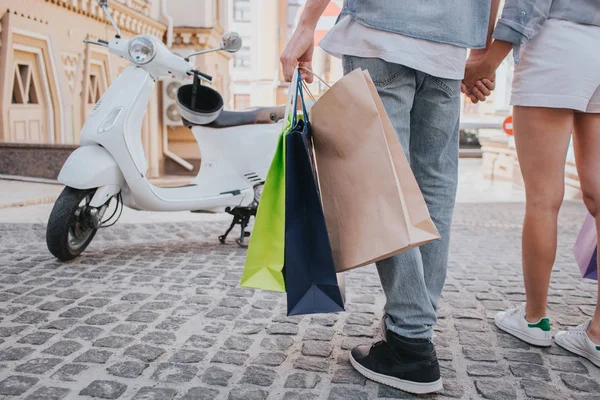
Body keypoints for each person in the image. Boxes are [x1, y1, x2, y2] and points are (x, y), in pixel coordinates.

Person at [281, 0, 499, 394]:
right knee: (435, 184)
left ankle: (410, 342)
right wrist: (482, 52)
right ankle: (415, 326)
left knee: (382, 180)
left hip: (381, 32)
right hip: (449, 45)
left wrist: (306, 24)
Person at [463, 0, 600, 368]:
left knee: (543, 197)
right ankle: (598, 336)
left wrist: (486, 62)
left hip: (557, 44)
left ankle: (534, 318)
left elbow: (529, 3)